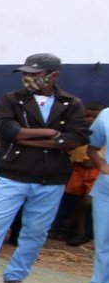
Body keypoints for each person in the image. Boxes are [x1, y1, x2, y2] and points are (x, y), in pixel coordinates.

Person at [0, 53, 90, 283]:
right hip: (15, 174)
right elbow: (6, 131)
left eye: (35, 74)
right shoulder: (12, 100)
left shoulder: (71, 103)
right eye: (26, 74)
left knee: (36, 230)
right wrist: (49, 134)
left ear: (53, 76)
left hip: (51, 178)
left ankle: (16, 276)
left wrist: (27, 136)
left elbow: (77, 137)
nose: (28, 79)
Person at [57, 102, 106, 246]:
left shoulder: (103, 129)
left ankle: (69, 223)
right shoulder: (80, 131)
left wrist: (97, 162)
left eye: (94, 116)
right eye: (87, 116)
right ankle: (80, 232)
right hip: (78, 168)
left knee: (87, 201)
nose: (90, 119)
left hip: (98, 170)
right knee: (78, 200)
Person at [79, 104, 109, 283]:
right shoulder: (106, 115)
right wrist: (103, 166)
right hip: (106, 191)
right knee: (104, 242)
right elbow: (92, 147)